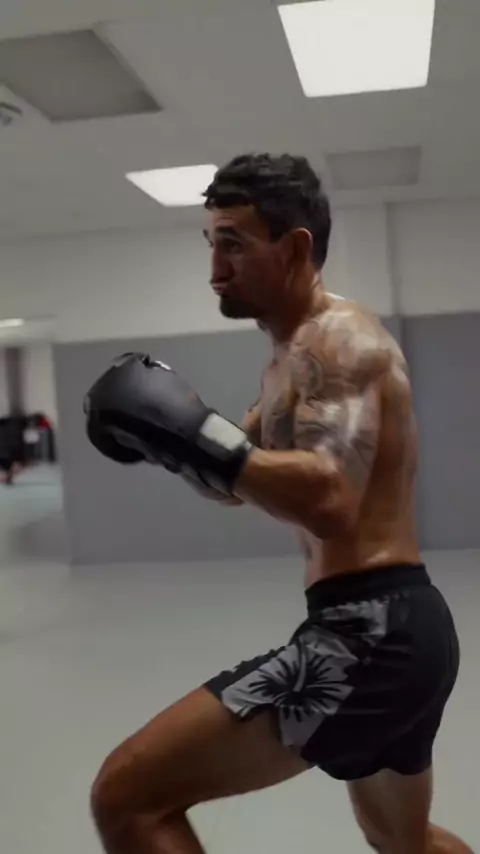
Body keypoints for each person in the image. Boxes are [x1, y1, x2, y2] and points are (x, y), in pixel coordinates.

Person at [87, 154, 472, 854]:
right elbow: (237, 481)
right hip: (398, 626)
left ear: (294, 248)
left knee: (127, 795)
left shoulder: (340, 339)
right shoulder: (286, 362)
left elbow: (330, 498)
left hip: (371, 632)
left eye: (233, 244)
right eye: (211, 244)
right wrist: (170, 442)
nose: (215, 269)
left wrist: (196, 436)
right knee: (402, 840)